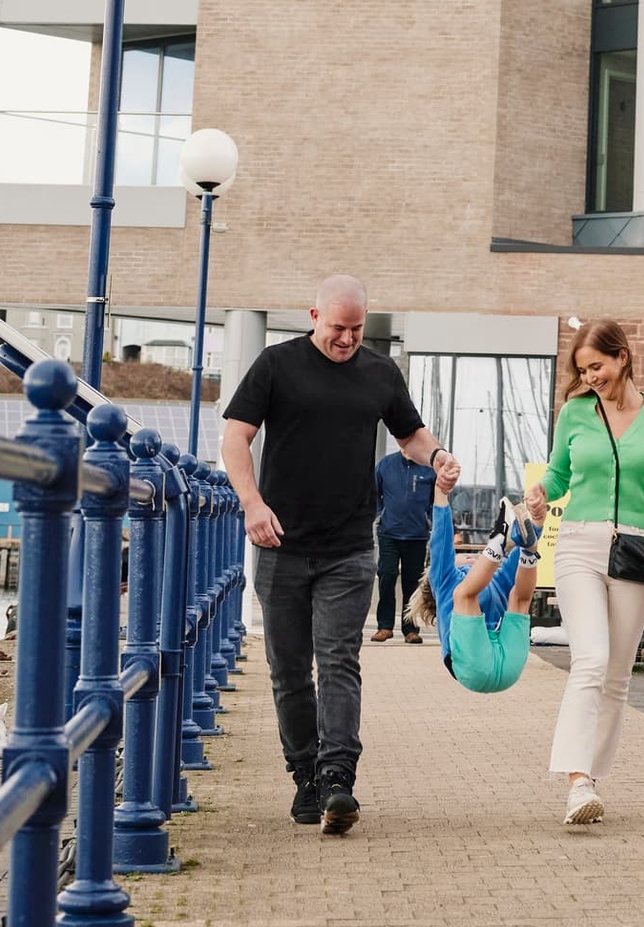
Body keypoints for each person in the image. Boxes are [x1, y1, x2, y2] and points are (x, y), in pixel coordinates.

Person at [220, 274, 456, 836]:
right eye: (337, 328)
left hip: (350, 547)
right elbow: (234, 437)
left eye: (356, 329)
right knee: (288, 672)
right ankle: (304, 774)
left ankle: (338, 780)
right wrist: (251, 504)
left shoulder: (379, 372)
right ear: (313, 316)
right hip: (279, 544)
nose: (347, 339)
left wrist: (439, 456)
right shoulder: (276, 366)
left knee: (338, 662)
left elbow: (410, 436)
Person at [525, 319, 644, 826]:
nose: (590, 377)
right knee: (589, 659)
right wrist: (543, 491)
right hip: (579, 546)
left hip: (637, 551)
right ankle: (576, 782)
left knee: (616, 675)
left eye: (597, 366)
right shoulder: (574, 412)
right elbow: (560, 472)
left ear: (622, 358)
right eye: (582, 370)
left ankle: (592, 777)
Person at [406, 476, 545, 692]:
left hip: (506, 665)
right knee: (464, 594)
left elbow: (514, 565)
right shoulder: (444, 581)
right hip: (474, 668)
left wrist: (536, 521)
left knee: (519, 596)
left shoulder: (495, 582)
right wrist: (440, 495)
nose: (471, 556)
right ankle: (499, 539)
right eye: (465, 556)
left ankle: (523, 548)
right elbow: (441, 541)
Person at [371, 450, 435, 645]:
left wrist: (429, 520)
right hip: (389, 533)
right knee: (387, 576)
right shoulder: (385, 465)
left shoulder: (429, 469)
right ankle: (384, 626)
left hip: (417, 535)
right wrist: (380, 515)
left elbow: (436, 499)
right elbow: (374, 493)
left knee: (412, 583)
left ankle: (410, 629)